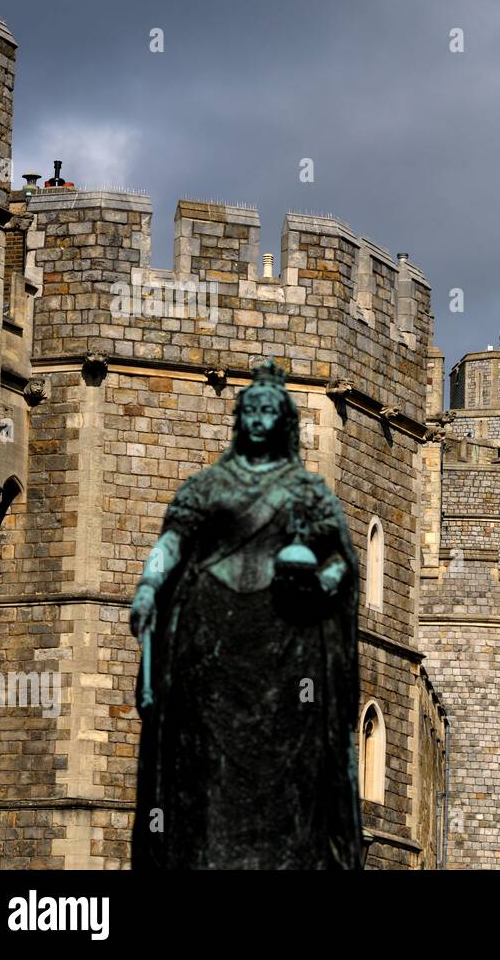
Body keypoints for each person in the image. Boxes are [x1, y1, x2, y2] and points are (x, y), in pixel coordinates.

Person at [129, 358, 362, 869]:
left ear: (283, 422)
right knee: (200, 765)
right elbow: (172, 541)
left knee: (287, 771)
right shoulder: (207, 487)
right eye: (250, 410)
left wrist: (320, 584)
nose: (258, 419)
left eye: (267, 412)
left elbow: (343, 562)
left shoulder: (307, 492)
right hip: (208, 634)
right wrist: (149, 586)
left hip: (285, 644)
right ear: (240, 418)